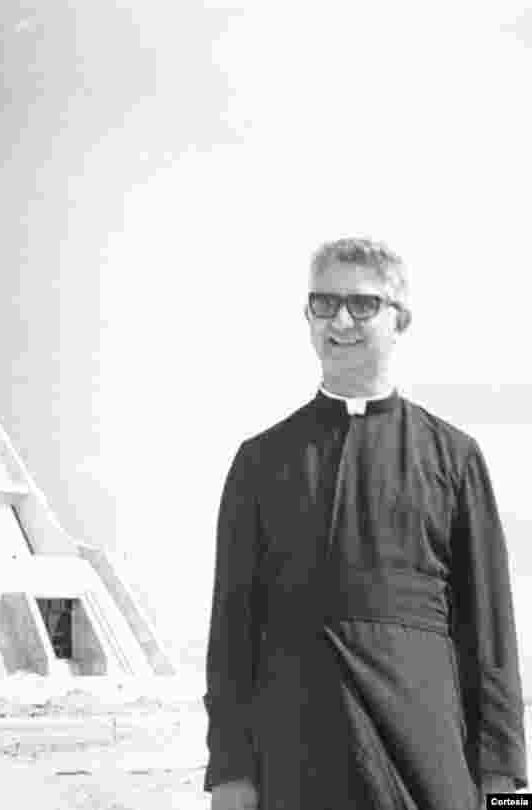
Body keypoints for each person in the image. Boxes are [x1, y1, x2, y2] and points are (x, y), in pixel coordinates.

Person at [204, 238, 527, 809]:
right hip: (297, 759)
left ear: (400, 319)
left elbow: (491, 632)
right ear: (307, 318)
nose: (341, 321)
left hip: (428, 757)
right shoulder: (261, 461)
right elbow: (232, 633)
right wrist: (230, 775)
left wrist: (506, 794)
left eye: (362, 304)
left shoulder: (454, 456)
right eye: (323, 304)